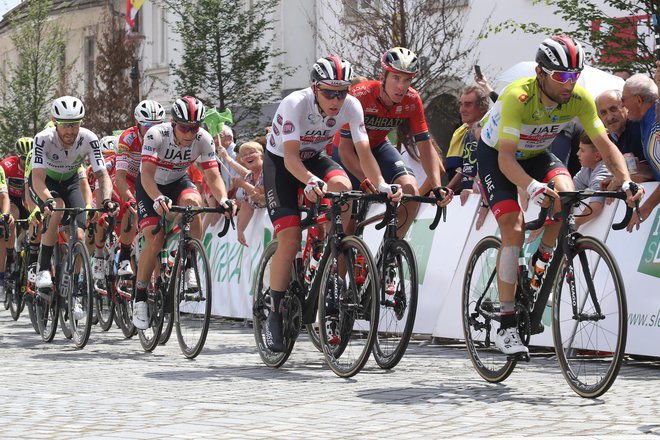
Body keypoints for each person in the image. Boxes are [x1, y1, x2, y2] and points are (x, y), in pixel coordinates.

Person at [477, 35, 643, 355]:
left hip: (537, 152)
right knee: (512, 227)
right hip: (498, 156)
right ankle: (507, 323)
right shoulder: (517, 97)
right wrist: (532, 187)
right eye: (561, 76)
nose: (569, 83)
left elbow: (607, 147)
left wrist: (625, 181)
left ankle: (541, 262)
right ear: (541, 73)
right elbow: (507, 160)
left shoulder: (579, 98)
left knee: (568, 198)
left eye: (574, 75)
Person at [263, 56, 366, 352]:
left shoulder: (351, 105)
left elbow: (364, 152)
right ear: (315, 88)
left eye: (342, 91)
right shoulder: (295, 104)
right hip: (282, 164)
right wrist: (309, 181)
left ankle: (334, 244)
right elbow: (292, 158)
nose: (336, 99)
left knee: (344, 189)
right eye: (329, 92)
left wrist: (382, 184)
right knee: (291, 238)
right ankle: (275, 311)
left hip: (315, 158)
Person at [132, 96, 235, 330]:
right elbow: (146, 174)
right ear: (173, 122)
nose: (189, 134)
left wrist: (223, 199)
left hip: (178, 181)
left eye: (194, 127)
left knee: (193, 204)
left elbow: (213, 175)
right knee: (155, 240)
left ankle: (189, 262)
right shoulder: (156, 134)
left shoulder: (203, 139)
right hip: (151, 186)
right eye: (184, 127)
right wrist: (157, 197)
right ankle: (139, 296)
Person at [337, 47, 450, 239]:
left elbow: (425, 146)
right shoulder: (361, 95)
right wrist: (373, 181)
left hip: (379, 147)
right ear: (383, 77)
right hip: (348, 151)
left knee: (410, 190)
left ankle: (390, 250)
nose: (401, 86)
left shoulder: (412, 100)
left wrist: (437, 186)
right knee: (347, 231)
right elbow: (345, 149)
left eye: (407, 80)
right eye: (396, 78)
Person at [30, 96, 118, 295]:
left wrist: (105, 200)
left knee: (79, 234)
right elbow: (36, 177)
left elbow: (102, 175)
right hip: (46, 183)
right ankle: (43, 268)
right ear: (54, 121)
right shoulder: (43, 138)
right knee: (57, 209)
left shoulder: (89, 138)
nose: (70, 131)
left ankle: (74, 283)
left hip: (70, 182)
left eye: (75, 124)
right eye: (65, 125)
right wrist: (47, 199)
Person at [115, 99, 167, 277]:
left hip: (154, 178)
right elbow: (119, 178)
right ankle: (124, 255)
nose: (152, 129)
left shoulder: (165, 136)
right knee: (131, 208)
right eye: (147, 125)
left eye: (157, 125)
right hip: (130, 178)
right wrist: (130, 198)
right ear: (137, 124)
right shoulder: (127, 138)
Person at [621, 66, 660, 232]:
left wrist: (645, 209)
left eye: (623, 99)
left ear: (638, 100)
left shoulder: (655, 122)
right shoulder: (644, 121)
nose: (621, 103)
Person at [595, 89, 653, 182]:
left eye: (613, 109)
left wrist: (617, 182)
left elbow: (647, 172)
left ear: (625, 107)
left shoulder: (638, 128)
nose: (609, 117)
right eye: (603, 113)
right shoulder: (610, 137)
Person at [0, 137, 31, 299]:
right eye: (24, 158)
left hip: (29, 199)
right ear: (18, 156)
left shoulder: (36, 165)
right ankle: (11, 254)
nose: (27, 161)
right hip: (13, 200)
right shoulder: (6, 166)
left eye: (30, 158)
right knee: (12, 218)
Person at [446, 85, 490, 194]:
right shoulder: (465, 131)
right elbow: (464, 170)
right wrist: (447, 190)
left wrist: (476, 190)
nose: (462, 110)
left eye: (468, 105)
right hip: (468, 197)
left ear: (482, 107)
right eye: (461, 104)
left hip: (485, 198)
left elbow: (493, 167)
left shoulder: (489, 131)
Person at [571, 132, 613, 228]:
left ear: (597, 156)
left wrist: (573, 225)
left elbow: (595, 207)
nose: (577, 153)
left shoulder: (604, 169)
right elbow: (570, 191)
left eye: (582, 150)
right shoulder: (587, 168)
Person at [233, 141, 265, 246]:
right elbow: (247, 206)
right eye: (244, 155)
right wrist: (240, 230)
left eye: (251, 152)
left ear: (261, 154)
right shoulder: (248, 177)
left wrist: (242, 184)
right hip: (261, 225)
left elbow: (261, 195)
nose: (248, 156)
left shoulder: (268, 170)